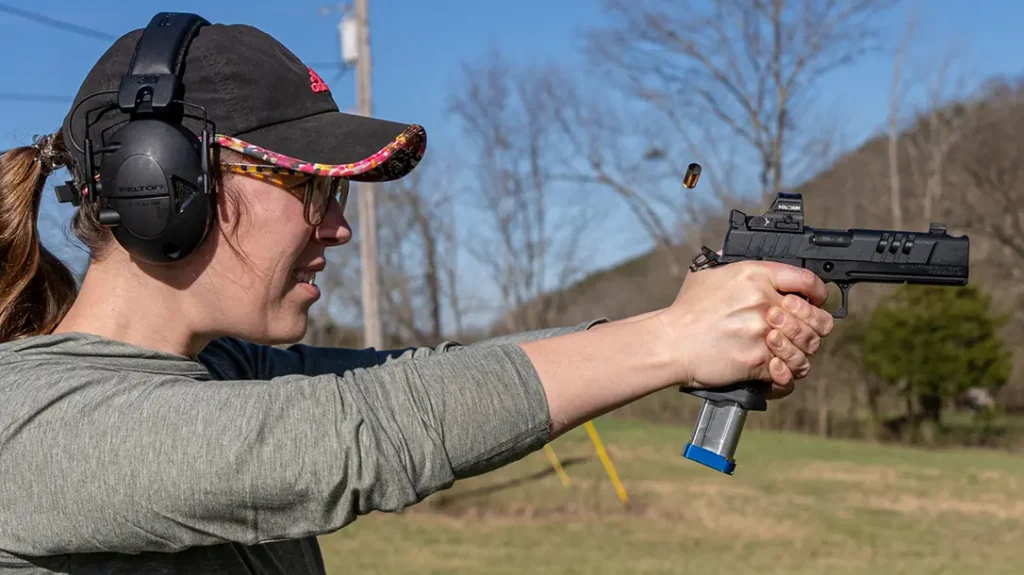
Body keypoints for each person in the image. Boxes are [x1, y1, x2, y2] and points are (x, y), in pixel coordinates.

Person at [0, 14, 834, 575]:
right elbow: (361, 435)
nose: (338, 230)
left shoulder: (224, 371)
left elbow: (436, 373)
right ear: (162, 181)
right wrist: (672, 342)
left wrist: (684, 329)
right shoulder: (27, 422)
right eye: (312, 189)